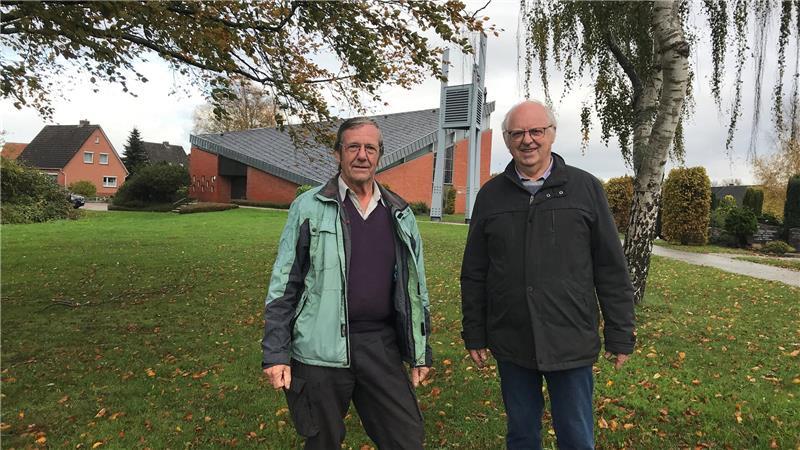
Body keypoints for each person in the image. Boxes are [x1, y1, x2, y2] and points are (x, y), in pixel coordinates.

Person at [460, 100, 636, 450]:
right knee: (522, 435)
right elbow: (475, 271)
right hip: (512, 339)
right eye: (517, 133)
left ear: (551, 135)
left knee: (576, 437)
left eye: (536, 131)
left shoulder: (585, 189)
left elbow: (611, 268)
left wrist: (620, 331)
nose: (528, 140)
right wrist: (474, 333)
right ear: (508, 140)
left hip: (569, 337)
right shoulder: (491, 196)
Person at [261, 117, 431, 449]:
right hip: (318, 349)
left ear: (380, 154)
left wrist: (420, 352)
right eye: (353, 147)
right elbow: (284, 282)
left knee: (407, 438)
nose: (362, 155)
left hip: (379, 346)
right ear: (338, 152)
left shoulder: (399, 212)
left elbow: (416, 288)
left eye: (370, 148)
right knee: (322, 442)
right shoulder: (308, 207)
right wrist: (276, 352)